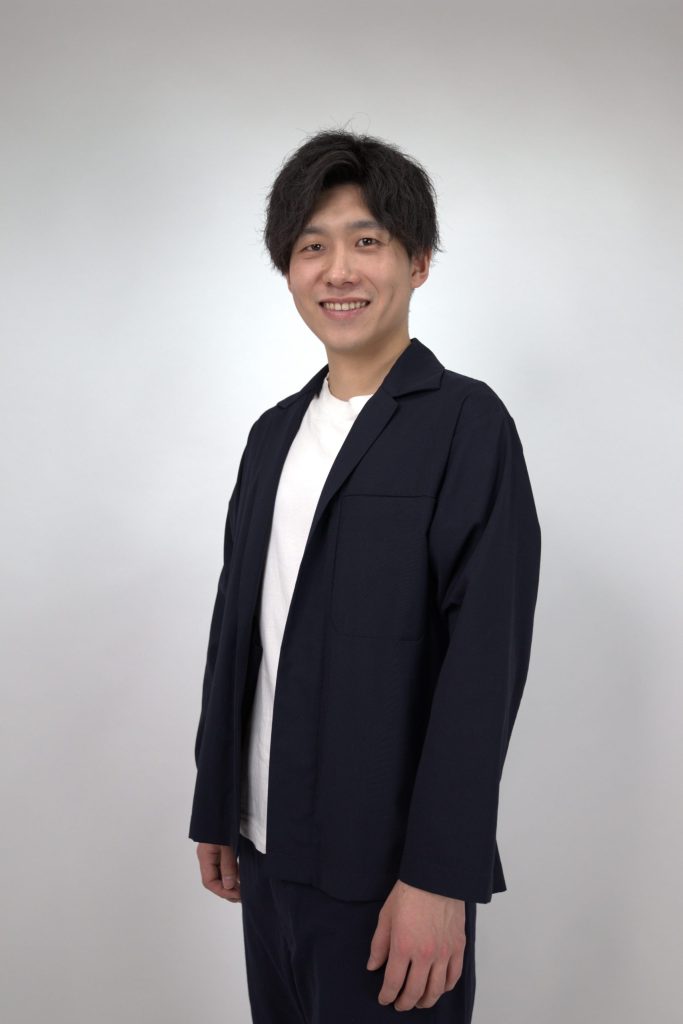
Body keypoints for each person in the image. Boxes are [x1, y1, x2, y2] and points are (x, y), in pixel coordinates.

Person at [189, 129, 542, 1022]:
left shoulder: (466, 425)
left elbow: (483, 666)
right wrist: (216, 803)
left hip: (385, 878)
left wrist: (439, 877)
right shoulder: (272, 434)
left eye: (366, 240)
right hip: (264, 855)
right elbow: (239, 629)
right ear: (287, 268)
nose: (337, 270)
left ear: (417, 263)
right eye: (312, 246)